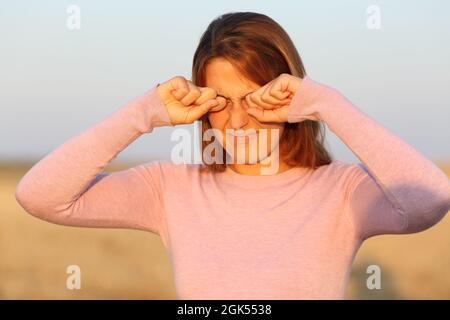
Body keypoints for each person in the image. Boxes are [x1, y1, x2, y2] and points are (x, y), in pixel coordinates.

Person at [15, 12, 450, 299]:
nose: (238, 122)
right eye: (221, 101)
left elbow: (431, 199)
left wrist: (328, 104)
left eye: (254, 99)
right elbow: (41, 196)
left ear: (290, 96)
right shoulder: (172, 188)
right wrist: (143, 113)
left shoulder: (341, 191)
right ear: (201, 104)